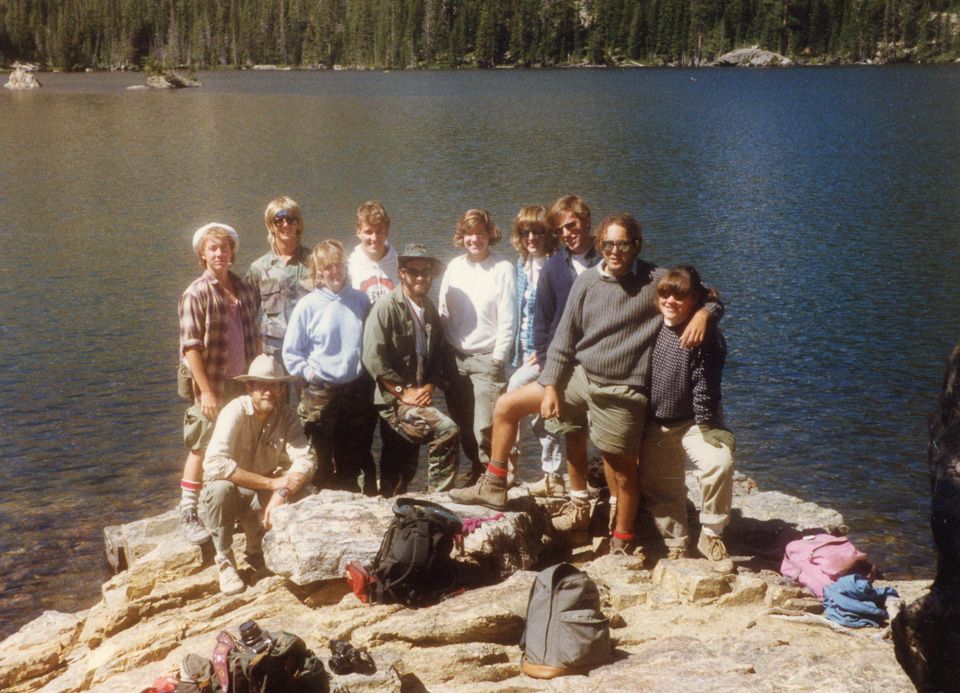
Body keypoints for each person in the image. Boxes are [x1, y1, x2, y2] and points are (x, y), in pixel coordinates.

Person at [452, 214, 722, 557]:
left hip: (621, 389)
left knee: (622, 472)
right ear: (600, 245)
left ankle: (623, 541)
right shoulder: (588, 281)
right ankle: (494, 484)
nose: (614, 251)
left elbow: (708, 295)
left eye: (622, 244)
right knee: (507, 406)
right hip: (580, 377)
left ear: (635, 245)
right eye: (607, 244)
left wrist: (704, 313)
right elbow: (563, 338)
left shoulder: (654, 280)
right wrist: (550, 386)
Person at [638, 266, 735, 572]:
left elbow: (706, 384)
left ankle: (711, 534)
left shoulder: (706, 336)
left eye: (680, 297)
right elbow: (712, 298)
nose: (670, 301)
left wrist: (709, 425)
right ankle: (676, 543)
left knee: (719, 463)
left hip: (694, 421)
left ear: (694, 300)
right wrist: (710, 309)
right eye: (664, 294)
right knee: (663, 491)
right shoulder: (651, 322)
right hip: (655, 422)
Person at [200, 355, 317, 595]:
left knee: (305, 493)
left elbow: (306, 458)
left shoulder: (287, 415)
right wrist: (273, 483)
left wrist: (282, 492)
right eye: (261, 385)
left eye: (274, 385)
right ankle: (224, 558)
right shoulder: (234, 411)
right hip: (235, 490)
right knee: (219, 489)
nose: (268, 391)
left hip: (264, 493)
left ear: (282, 389)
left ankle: (259, 547)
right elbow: (214, 464)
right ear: (249, 387)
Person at [177, 223, 260, 545]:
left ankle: (231, 508)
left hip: (243, 381)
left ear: (232, 253)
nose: (220, 254)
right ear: (202, 254)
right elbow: (190, 347)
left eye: (224, 248)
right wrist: (207, 391)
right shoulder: (196, 293)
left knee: (236, 443)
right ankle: (188, 511)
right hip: (214, 382)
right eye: (213, 249)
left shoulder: (244, 289)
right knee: (202, 443)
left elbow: (255, 336)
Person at [362, 244, 460, 495]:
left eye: (425, 272)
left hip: (417, 397)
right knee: (447, 430)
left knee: (404, 463)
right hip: (393, 401)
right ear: (402, 273)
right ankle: (439, 496)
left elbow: (437, 356)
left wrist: (429, 386)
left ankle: (398, 500)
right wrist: (402, 392)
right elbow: (373, 358)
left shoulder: (428, 309)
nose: (420, 277)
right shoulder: (386, 307)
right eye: (413, 272)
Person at [282, 239, 376, 494]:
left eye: (339, 265)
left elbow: (370, 342)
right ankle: (314, 502)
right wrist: (310, 374)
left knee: (352, 456)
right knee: (317, 457)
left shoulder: (360, 300)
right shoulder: (307, 305)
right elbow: (291, 353)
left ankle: (349, 500)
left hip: (355, 390)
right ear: (319, 272)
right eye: (328, 267)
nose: (335, 272)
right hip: (320, 392)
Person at [438, 209, 517, 486]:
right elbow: (442, 310)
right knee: (461, 422)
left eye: (480, 233)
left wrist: (498, 358)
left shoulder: (503, 268)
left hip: (486, 358)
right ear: (462, 236)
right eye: (469, 234)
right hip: (455, 357)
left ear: (489, 235)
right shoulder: (454, 267)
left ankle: (495, 477)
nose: (474, 239)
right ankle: (476, 469)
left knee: (486, 424)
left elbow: (509, 318)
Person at [505, 205, 564, 495]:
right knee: (541, 416)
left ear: (548, 235)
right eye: (525, 232)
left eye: (538, 232)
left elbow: (561, 316)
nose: (531, 237)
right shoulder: (521, 264)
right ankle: (549, 474)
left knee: (515, 394)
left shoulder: (556, 266)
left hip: (547, 353)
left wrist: (544, 351)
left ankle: (510, 464)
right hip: (525, 351)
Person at [246, 196, 312, 361]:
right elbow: (247, 316)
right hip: (272, 351)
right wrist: (255, 356)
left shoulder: (315, 262)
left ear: (299, 224)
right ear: (271, 226)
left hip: (309, 348)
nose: (285, 225)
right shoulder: (258, 268)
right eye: (278, 221)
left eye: (291, 220)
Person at [348, 200, 398, 304]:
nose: (374, 238)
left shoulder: (400, 265)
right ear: (358, 231)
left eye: (379, 232)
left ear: (387, 231)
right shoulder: (349, 267)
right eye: (368, 232)